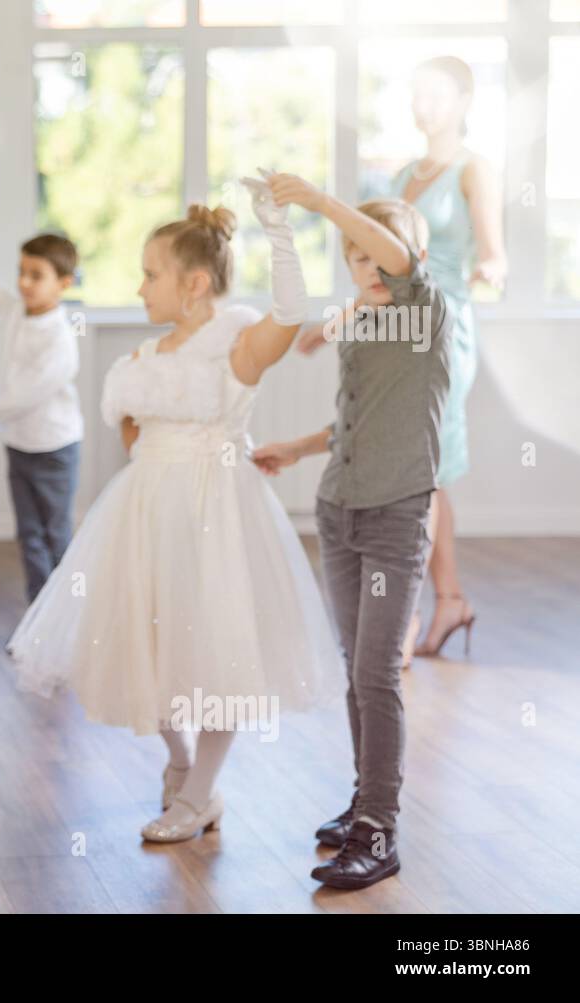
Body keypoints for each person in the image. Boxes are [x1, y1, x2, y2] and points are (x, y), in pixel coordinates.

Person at [8, 178, 342, 845]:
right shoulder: (140, 360)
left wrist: (278, 227)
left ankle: (198, 794)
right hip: (146, 510)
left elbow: (294, 308)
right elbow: (135, 435)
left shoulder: (237, 342)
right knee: (149, 639)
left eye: (149, 274)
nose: (139, 288)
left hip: (215, 507)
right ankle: (183, 759)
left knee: (220, 649)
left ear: (193, 283)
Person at [255, 177, 453, 890]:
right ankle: (364, 799)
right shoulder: (366, 325)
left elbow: (397, 260)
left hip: (397, 513)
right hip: (339, 508)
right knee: (357, 668)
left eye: (375, 256)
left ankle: (380, 827)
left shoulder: (427, 311)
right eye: (352, 257)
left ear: (409, 257)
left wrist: (318, 201)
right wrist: (298, 449)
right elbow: (359, 421)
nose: (365, 268)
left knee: (377, 673)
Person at [299, 56, 504, 661]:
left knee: (427, 463)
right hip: (389, 324)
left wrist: (490, 268)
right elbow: (375, 263)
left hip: (438, 326)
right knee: (418, 463)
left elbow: (493, 252)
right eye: (416, 96)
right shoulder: (403, 177)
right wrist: (337, 322)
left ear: (465, 100)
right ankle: (443, 600)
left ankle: (416, 610)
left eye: (436, 96)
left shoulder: (475, 169)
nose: (423, 107)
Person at [0, 223, 83, 604]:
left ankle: (63, 619)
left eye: (37, 275)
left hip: (54, 449)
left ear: (63, 283)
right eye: (21, 272)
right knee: (28, 534)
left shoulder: (60, 341)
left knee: (54, 534)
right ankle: (37, 619)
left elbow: (22, 397)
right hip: (20, 445)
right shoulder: (16, 311)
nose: (25, 283)